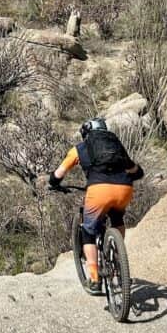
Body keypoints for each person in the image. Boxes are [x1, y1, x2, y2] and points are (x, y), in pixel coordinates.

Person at [49, 118, 144, 293]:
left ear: (85, 134)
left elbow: (59, 173)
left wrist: (53, 182)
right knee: (117, 218)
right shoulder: (115, 146)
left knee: (88, 231)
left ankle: (94, 278)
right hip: (124, 189)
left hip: (99, 190)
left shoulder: (79, 149)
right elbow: (135, 170)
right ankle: (117, 261)